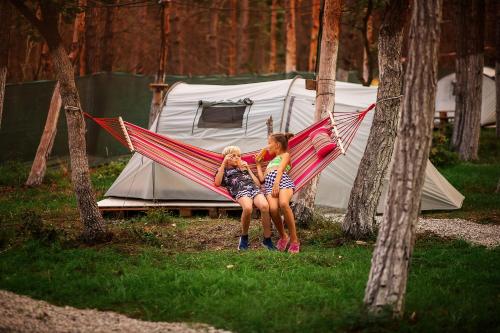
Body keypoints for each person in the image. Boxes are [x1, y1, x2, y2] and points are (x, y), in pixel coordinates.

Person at [215, 146, 276, 251]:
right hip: (240, 190)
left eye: (239, 156)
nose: (237, 158)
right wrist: (224, 163)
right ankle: (244, 237)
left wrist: (248, 169)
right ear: (226, 157)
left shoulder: (243, 168)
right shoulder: (223, 169)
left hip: (254, 188)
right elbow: (217, 183)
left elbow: (258, 184)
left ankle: (267, 239)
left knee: (265, 206)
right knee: (248, 208)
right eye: (233, 156)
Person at [255, 133, 300, 253]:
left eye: (269, 143)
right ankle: (284, 236)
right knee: (273, 209)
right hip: (269, 186)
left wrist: (276, 183)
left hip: (282, 182)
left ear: (278, 145)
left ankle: (295, 240)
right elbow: (262, 179)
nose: (267, 146)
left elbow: (280, 170)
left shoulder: (285, 155)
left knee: (284, 204)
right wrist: (258, 165)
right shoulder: (270, 162)